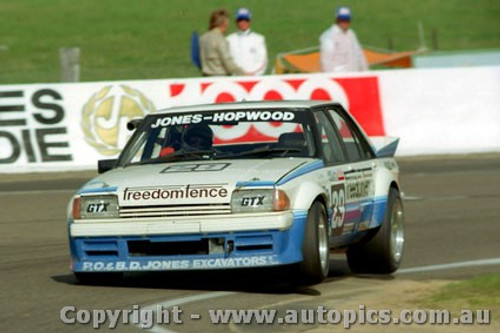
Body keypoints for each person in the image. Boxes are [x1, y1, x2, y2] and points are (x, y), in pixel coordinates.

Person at [319, 6, 369, 72]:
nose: (344, 22)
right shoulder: (329, 36)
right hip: (338, 77)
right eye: (342, 20)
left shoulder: (351, 34)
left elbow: (359, 55)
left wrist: (366, 72)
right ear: (336, 20)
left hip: (354, 75)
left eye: (347, 20)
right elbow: (326, 62)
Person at [199, 9, 247, 76]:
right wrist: (244, 73)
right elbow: (228, 63)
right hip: (221, 78)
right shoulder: (221, 40)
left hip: (206, 78)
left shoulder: (202, 38)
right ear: (223, 24)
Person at [226, 8, 268, 76]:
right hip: (235, 78)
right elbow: (227, 61)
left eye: (246, 20)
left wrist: (253, 74)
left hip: (254, 78)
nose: (243, 22)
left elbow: (263, 61)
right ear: (236, 22)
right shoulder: (229, 40)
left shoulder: (259, 39)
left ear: (250, 21)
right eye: (240, 20)